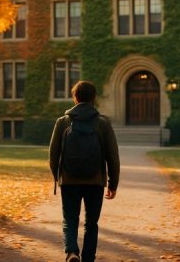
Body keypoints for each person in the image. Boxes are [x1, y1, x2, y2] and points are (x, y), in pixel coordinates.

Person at [49, 81, 120, 262]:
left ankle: (72, 252)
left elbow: (53, 155)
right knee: (91, 224)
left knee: (70, 220)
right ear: (93, 98)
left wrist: (58, 177)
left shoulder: (63, 122)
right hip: (95, 181)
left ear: (75, 98)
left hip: (69, 180)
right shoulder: (103, 124)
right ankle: (88, 258)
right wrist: (113, 184)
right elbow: (113, 156)